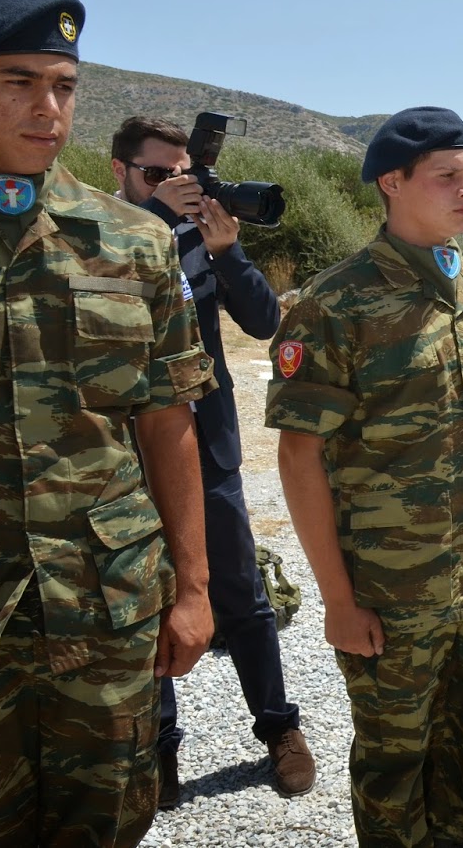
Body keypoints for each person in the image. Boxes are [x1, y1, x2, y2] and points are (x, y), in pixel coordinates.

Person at [0, 0, 216, 846]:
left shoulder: (131, 240)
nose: (48, 108)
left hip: (105, 613)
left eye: (65, 86)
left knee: (107, 823)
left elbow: (166, 419)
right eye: (19, 81)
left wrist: (193, 586)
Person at [266, 107, 463, 848]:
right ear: (392, 182)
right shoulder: (336, 302)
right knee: (393, 766)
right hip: (393, 592)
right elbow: (299, 457)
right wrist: (334, 597)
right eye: (448, 176)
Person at [109, 116, 315, 807]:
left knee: (240, 592)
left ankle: (280, 729)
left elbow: (263, 322)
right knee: (148, 593)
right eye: (156, 174)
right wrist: (148, 220)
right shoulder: (101, 233)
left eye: (182, 175)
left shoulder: (203, 235)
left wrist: (228, 253)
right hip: (131, 450)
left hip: (210, 447)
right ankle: (159, 748)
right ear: (119, 171)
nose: (175, 187)